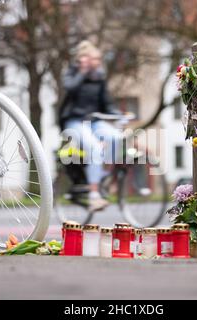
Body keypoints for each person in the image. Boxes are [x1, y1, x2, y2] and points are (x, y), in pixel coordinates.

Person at [59, 40, 123, 212]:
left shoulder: (99, 77)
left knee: (117, 137)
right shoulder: (72, 73)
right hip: (74, 121)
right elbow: (70, 88)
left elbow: (106, 102)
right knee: (94, 147)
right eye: (94, 59)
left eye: (98, 59)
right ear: (83, 60)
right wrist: (82, 72)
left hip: (94, 121)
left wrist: (118, 114)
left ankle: (101, 176)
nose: (98, 63)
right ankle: (94, 195)